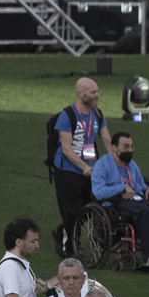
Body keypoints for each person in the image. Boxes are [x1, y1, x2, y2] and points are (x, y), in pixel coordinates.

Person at [92, 133, 149, 269]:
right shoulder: (102, 165)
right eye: (126, 146)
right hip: (114, 203)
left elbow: (139, 185)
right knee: (144, 211)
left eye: (131, 146)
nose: (130, 150)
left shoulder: (131, 165)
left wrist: (148, 189)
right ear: (114, 148)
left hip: (134, 199)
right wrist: (121, 188)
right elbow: (98, 192)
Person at [52, 77, 110, 257]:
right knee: (72, 211)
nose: (97, 95)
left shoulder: (97, 114)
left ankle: (63, 231)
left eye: (97, 91)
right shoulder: (67, 115)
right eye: (93, 92)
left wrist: (113, 163)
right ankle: (68, 249)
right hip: (68, 170)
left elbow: (106, 139)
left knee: (89, 206)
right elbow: (67, 149)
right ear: (80, 94)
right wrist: (84, 167)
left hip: (89, 169)